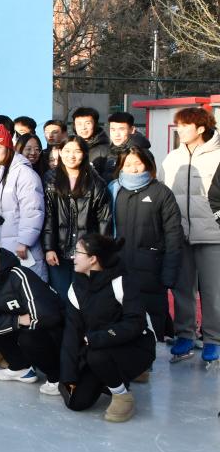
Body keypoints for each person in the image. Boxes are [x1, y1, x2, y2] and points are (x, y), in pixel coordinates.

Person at [60, 234, 156, 422]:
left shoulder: (122, 282)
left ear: (93, 259)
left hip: (136, 347)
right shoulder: (76, 288)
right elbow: (71, 333)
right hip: (98, 347)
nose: (73, 257)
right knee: (76, 402)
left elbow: (135, 324)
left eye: (77, 252)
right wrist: (68, 376)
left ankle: (122, 395)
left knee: (97, 356)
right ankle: (109, 377)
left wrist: (97, 338)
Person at [0, 238, 63, 395]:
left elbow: (45, 315)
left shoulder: (19, 275)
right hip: (27, 325)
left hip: (55, 330)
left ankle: (57, 378)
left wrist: (22, 323)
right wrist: (17, 321)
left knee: (28, 337)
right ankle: (21, 368)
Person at [111, 147, 183, 341]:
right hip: (119, 268)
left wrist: (169, 273)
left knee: (153, 320)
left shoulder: (161, 192)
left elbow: (173, 234)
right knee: (121, 318)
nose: (133, 168)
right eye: (127, 164)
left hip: (152, 271)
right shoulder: (114, 190)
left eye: (138, 163)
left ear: (148, 164)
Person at [166, 106, 220, 364]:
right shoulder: (172, 158)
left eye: (185, 125)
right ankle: (185, 335)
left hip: (213, 235)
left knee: (213, 291)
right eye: (178, 125)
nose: (180, 130)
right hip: (180, 234)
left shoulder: (217, 156)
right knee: (182, 289)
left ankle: (213, 339)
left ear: (200, 128)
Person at [0, 124, 47, 280]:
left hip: (21, 249)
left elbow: (33, 210)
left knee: (28, 287)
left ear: (8, 148)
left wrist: (25, 241)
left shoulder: (24, 173)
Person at [42, 136, 113, 299]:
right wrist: (49, 248)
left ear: (84, 154)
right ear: (60, 152)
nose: (71, 156)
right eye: (67, 151)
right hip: (58, 252)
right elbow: (48, 217)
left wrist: (98, 252)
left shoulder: (96, 183)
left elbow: (104, 221)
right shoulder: (50, 180)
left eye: (77, 151)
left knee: (84, 298)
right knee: (61, 297)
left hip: (86, 254)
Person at [104, 112, 152, 179]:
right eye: (113, 130)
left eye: (121, 129)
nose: (116, 134)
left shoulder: (141, 153)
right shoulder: (111, 149)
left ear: (132, 130)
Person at [72, 107, 110, 176]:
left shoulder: (105, 149)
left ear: (95, 124)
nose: (83, 128)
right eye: (79, 124)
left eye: (88, 123)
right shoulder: (70, 146)